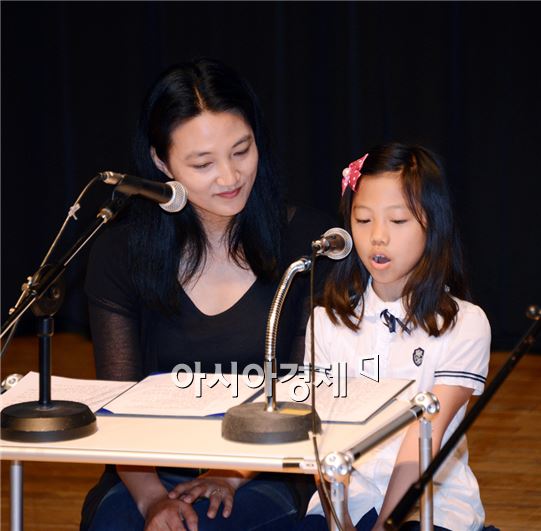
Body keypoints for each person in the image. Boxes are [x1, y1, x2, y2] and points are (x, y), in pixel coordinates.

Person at [81, 58, 334, 531]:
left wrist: (228, 473)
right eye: (202, 163)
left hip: (267, 467)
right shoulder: (120, 251)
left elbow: (302, 392)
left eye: (242, 150)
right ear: (161, 161)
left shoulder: (310, 241)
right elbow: (117, 402)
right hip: (146, 468)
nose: (229, 176)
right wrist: (152, 498)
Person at [298, 143, 493, 530]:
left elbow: (423, 441)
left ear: (432, 225)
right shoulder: (325, 320)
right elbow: (321, 435)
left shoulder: (465, 323)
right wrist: (342, 520)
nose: (378, 238)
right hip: (341, 502)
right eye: (363, 220)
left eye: (398, 221)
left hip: (431, 506)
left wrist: (384, 525)